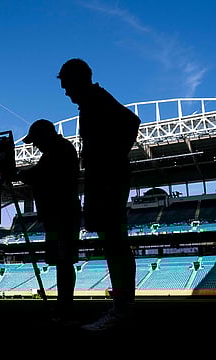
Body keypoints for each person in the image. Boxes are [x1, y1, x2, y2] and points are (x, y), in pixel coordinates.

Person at [57, 58, 141, 331]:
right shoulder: (91, 103)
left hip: (107, 182)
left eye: (67, 85)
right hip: (103, 180)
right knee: (112, 243)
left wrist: (111, 160)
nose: (66, 92)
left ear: (78, 79)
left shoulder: (96, 99)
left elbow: (132, 121)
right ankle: (121, 308)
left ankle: (122, 311)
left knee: (115, 243)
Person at [17, 119, 81, 323]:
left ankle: (65, 306)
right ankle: (64, 304)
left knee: (64, 260)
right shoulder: (56, 151)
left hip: (63, 214)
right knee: (61, 260)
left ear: (45, 136)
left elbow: (39, 175)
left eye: (36, 140)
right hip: (58, 215)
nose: (35, 146)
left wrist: (17, 173)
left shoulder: (59, 150)